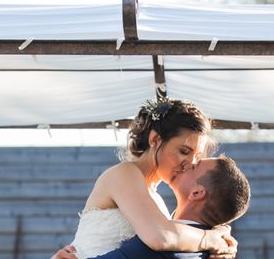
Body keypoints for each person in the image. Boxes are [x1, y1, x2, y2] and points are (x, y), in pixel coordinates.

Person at [51, 98, 238, 259]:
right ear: (155, 139)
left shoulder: (155, 199)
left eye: (196, 157)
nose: (189, 163)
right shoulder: (124, 174)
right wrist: (211, 239)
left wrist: (223, 237)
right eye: (184, 151)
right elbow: (161, 237)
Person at [91, 155, 250, 258]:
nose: (187, 163)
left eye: (194, 166)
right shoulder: (211, 249)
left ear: (196, 193)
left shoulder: (156, 247)